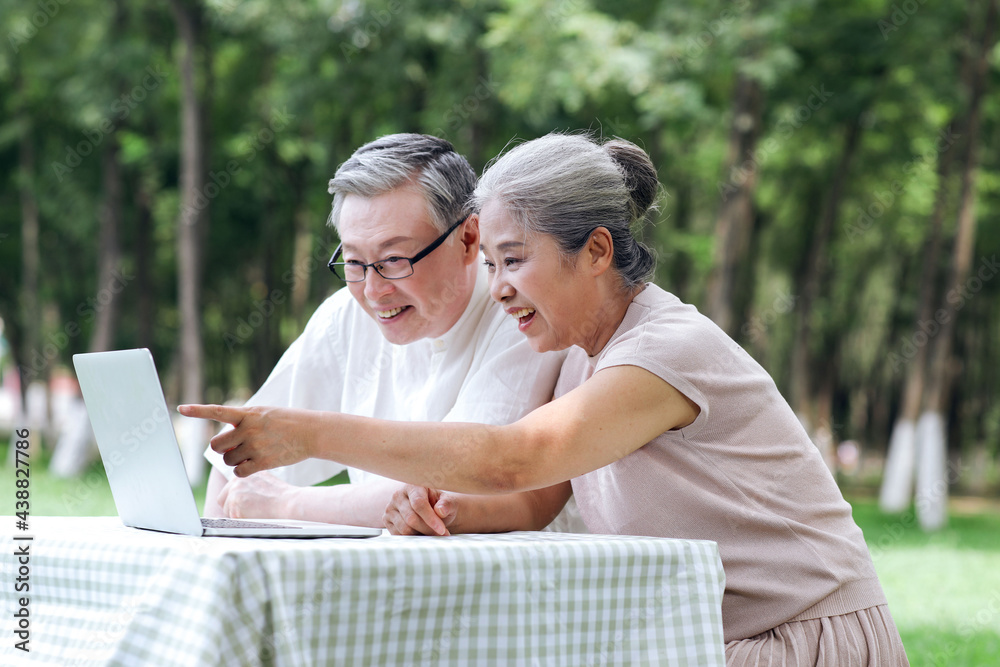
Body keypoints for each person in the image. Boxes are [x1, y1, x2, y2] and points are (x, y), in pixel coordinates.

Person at [183, 133, 908, 665]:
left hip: (798, 639)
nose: (497, 287)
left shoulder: (663, 351)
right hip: (698, 635)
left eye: (516, 260)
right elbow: (532, 496)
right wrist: (446, 509)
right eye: (492, 261)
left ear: (595, 251)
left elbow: (515, 457)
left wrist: (313, 435)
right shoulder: (576, 349)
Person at [201, 133, 584, 534]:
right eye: (353, 261)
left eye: (393, 260)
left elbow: (462, 482)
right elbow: (237, 457)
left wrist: (287, 504)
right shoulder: (345, 316)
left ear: (468, 239)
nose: (372, 291)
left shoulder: (521, 310)